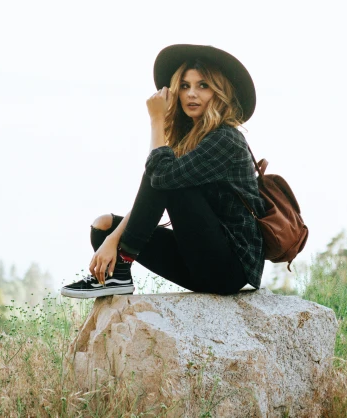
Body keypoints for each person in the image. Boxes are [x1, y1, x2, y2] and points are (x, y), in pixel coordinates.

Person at [60, 44, 266, 299]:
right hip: (198, 261)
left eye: (203, 86)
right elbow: (157, 186)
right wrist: (113, 237)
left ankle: (122, 265)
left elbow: (162, 177)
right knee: (103, 227)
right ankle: (117, 274)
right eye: (184, 86)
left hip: (230, 269)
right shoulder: (190, 139)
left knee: (166, 173)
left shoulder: (226, 139)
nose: (192, 94)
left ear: (220, 92)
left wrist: (156, 120)